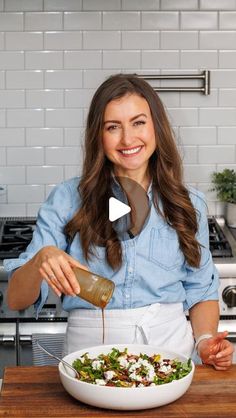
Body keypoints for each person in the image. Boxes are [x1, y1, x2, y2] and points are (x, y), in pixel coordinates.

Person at [5, 74, 233, 370]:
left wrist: (204, 341)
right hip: (89, 362)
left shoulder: (189, 203)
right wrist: (40, 260)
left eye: (138, 122)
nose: (127, 139)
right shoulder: (66, 199)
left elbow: (201, 289)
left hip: (170, 358)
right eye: (113, 127)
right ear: (98, 135)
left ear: (156, 127)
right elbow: (16, 299)